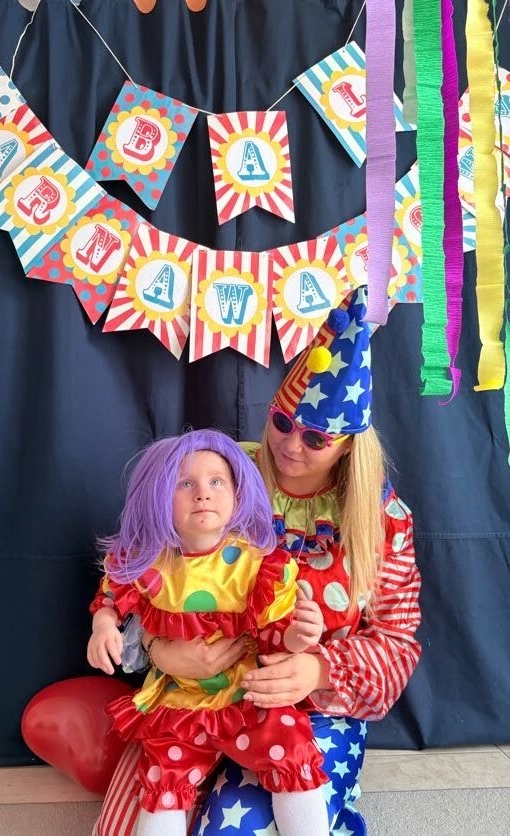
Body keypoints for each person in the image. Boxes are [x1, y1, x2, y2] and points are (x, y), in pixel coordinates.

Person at [93, 287, 422, 835]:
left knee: (238, 826)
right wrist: (158, 649)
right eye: (282, 424)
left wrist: (318, 669)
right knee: (138, 817)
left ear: (347, 445)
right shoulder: (224, 474)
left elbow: (397, 641)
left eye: (315, 438)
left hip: (309, 711)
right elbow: (151, 564)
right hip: (194, 693)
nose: (291, 446)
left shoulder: (383, 518)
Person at [87, 428, 331, 836]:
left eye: (216, 481)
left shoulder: (256, 562)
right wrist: (102, 627)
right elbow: (111, 597)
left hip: (246, 693)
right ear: (158, 496)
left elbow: (276, 633)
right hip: (178, 699)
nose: (203, 494)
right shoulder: (150, 563)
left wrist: (301, 636)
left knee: (292, 750)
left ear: (237, 493)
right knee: (162, 781)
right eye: (185, 484)